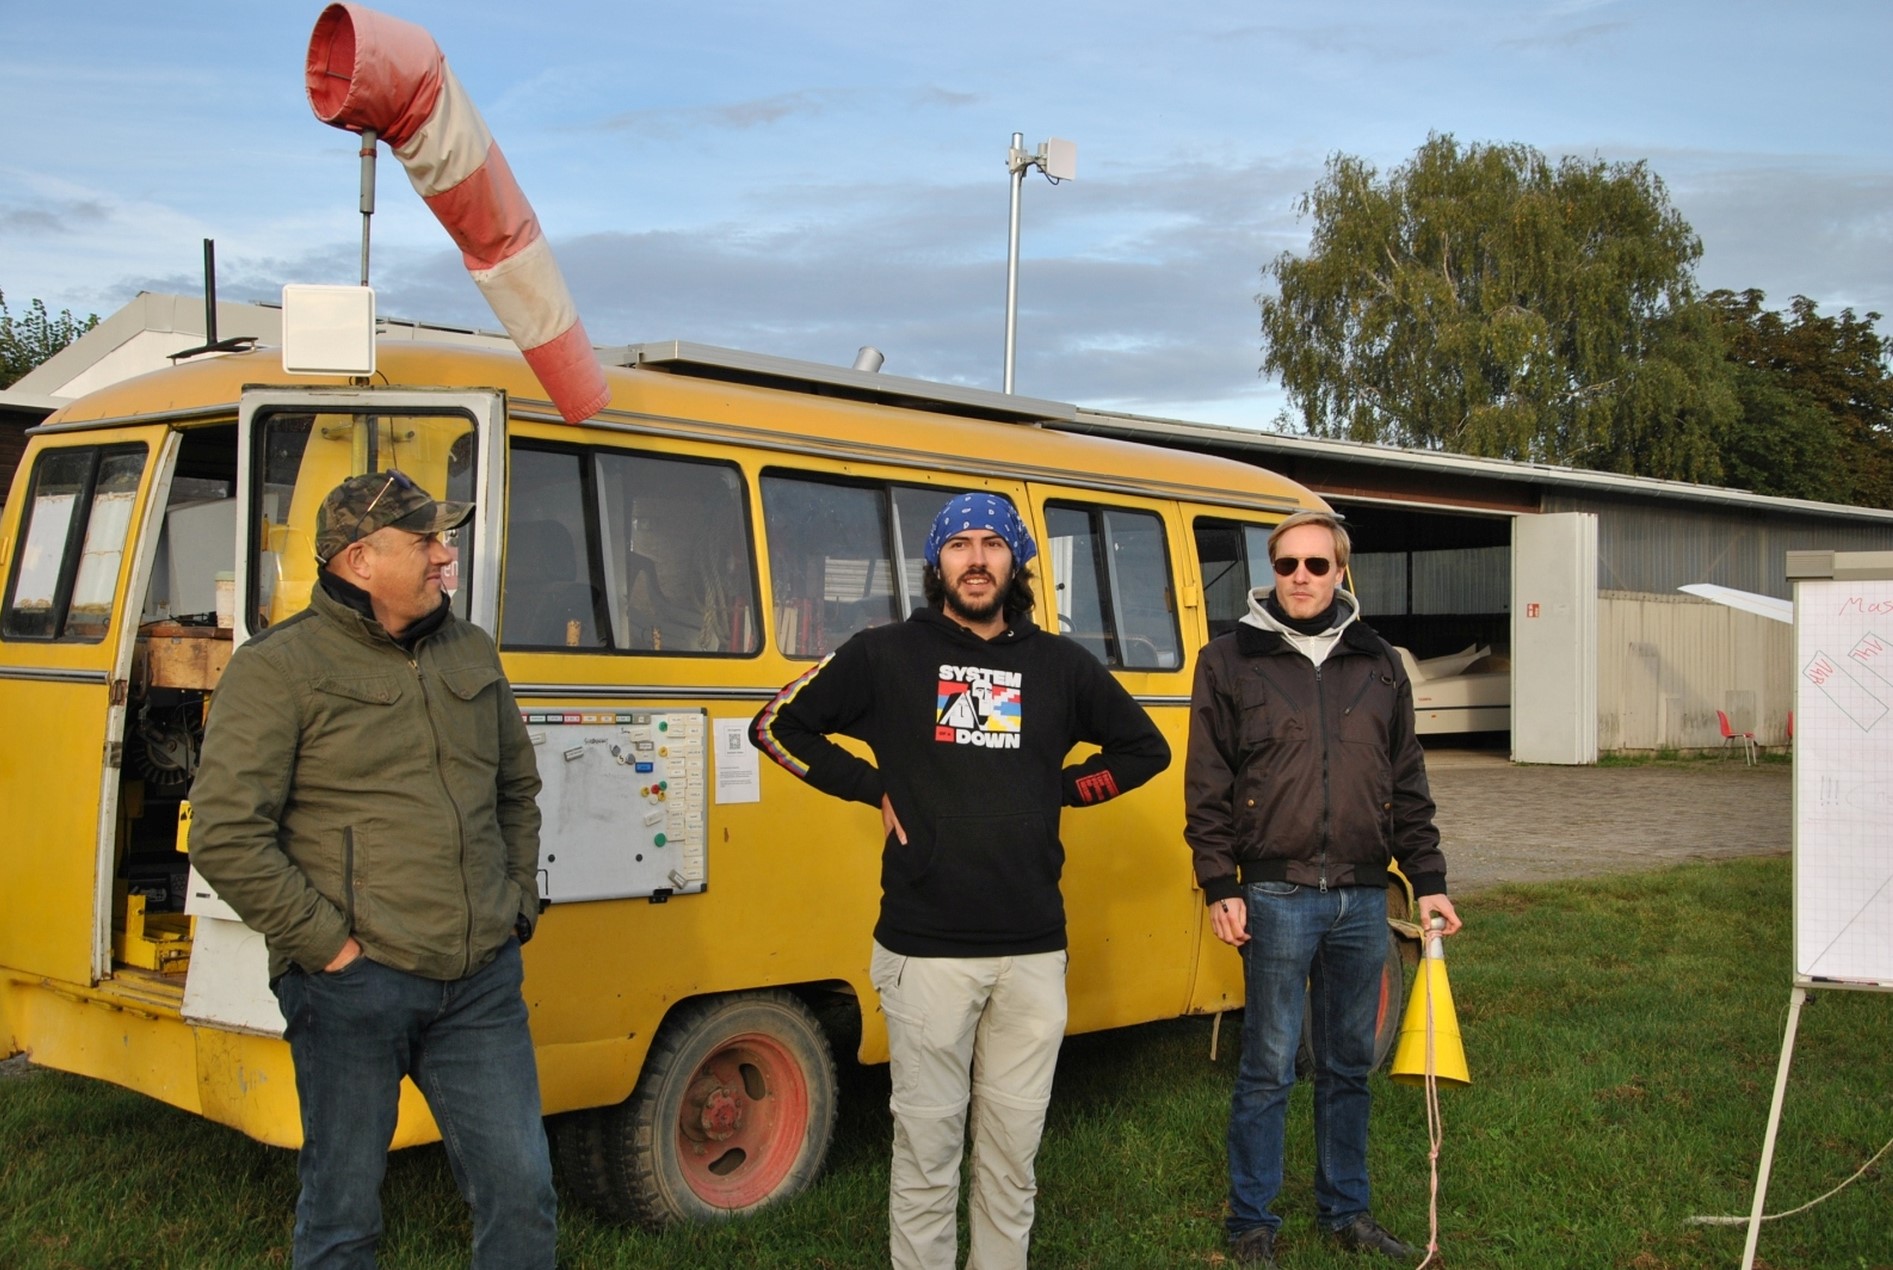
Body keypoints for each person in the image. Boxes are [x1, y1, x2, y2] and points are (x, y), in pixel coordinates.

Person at [750, 492, 1170, 1270]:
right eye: (959, 545)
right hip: (925, 951)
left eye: (992, 544)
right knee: (925, 1155)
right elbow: (776, 724)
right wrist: (871, 786)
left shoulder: (1062, 665)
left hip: (1032, 953)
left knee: (1013, 1159)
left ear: (1018, 563)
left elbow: (1145, 750)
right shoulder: (882, 654)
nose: (975, 559)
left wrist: (1067, 789)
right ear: (935, 562)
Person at [189, 470, 555, 1269]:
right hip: (353, 984)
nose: (443, 554)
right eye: (424, 540)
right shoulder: (278, 666)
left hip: (480, 980)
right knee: (343, 1210)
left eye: (442, 538)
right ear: (358, 559)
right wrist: (329, 950)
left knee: (522, 1192)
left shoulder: (471, 648)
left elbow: (515, 789)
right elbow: (224, 835)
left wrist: (516, 902)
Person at [1183, 509, 1463, 1269]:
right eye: (1285, 565)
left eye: (1315, 565)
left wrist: (1427, 879)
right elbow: (1206, 784)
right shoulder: (1228, 660)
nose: (1300, 579)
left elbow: (1405, 780)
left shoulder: (1377, 663)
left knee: (1347, 1066)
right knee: (1268, 1067)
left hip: (1361, 899)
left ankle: (1347, 1211)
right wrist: (1219, 883)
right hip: (1272, 895)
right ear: (1268, 572)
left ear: (1341, 572)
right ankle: (1251, 1222)